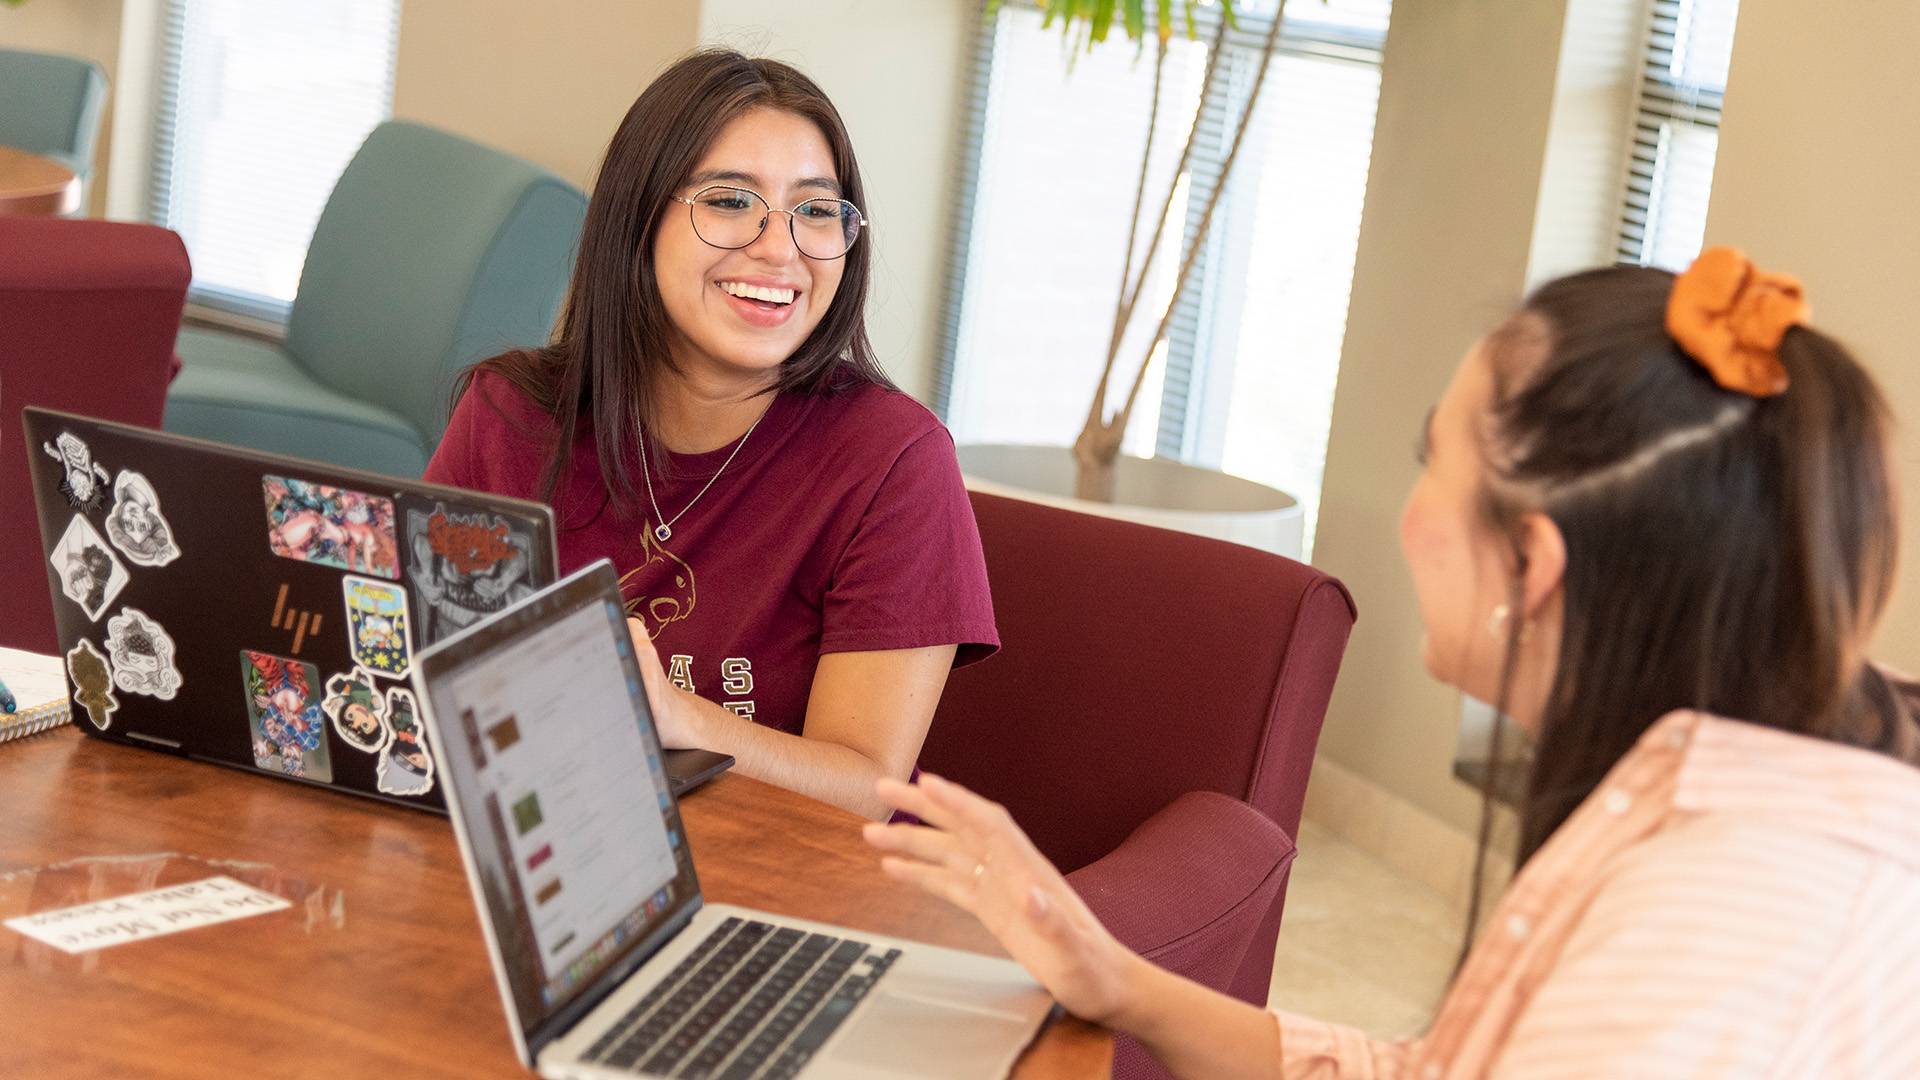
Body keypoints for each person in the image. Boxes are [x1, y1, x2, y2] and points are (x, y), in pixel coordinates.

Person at [866, 248, 1920, 1076]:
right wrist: (1120, 981)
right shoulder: (1712, 804)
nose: (1411, 515)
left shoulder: (1712, 940)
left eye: (1435, 460)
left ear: (1533, 566)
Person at [426, 50, 995, 820]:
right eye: (731, 200)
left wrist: (680, 720)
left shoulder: (894, 460)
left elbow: (870, 787)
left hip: (789, 894)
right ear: (640, 218)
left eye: (816, 210)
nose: (779, 247)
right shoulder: (512, 414)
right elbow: (415, 668)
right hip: (551, 848)